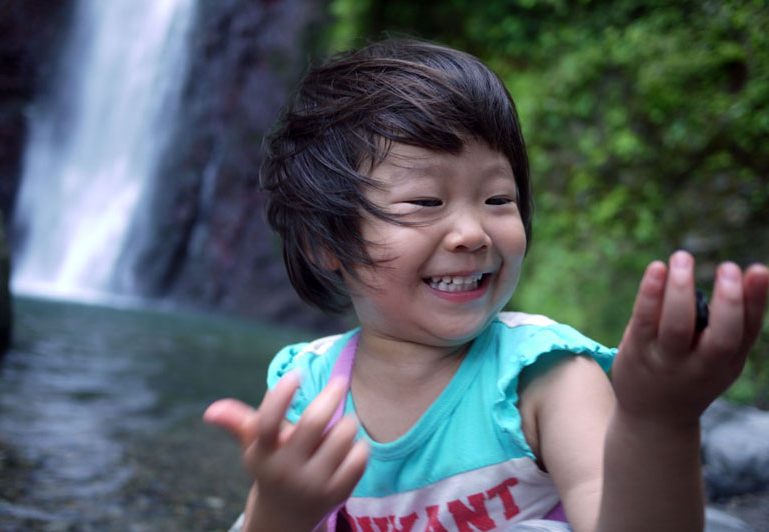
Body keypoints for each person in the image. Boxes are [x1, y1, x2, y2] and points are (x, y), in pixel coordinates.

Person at [203, 38, 769, 532]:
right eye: (426, 202)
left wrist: (659, 420)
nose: (473, 233)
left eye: (498, 200)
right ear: (324, 243)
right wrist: (282, 510)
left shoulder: (545, 376)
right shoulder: (309, 387)